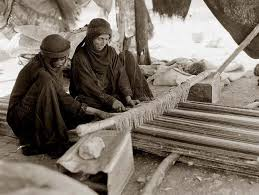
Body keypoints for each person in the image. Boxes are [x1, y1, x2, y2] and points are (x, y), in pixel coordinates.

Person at [7, 34, 111, 158]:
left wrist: (91, 111)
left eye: (63, 58)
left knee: (80, 115)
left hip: (37, 108)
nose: (61, 62)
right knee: (47, 85)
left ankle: (49, 132)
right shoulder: (40, 71)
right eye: (56, 59)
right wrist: (97, 112)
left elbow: (60, 97)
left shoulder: (50, 66)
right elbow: (62, 97)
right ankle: (47, 142)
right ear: (47, 57)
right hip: (21, 119)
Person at [70, 18, 153, 112]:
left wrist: (128, 98)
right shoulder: (80, 57)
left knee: (127, 56)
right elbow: (88, 87)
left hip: (110, 93)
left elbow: (121, 74)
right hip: (91, 95)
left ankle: (123, 100)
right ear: (91, 37)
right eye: (100, 38)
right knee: (85, 104)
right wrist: (110, 101)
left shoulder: (110, 52)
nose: (104, 43)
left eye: (107, 39)